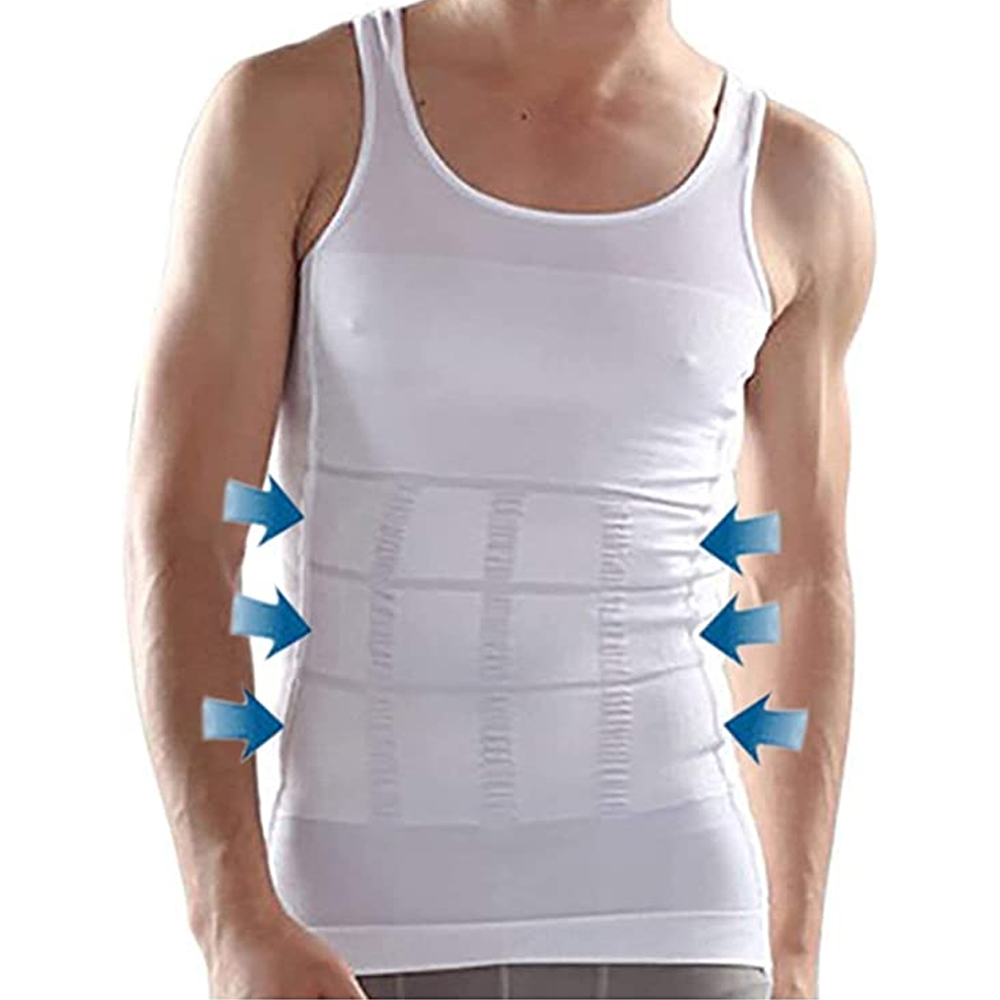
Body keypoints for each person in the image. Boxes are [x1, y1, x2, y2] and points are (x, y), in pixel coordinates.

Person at [124, 1, 874, 997]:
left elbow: (795, 576)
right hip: (346, 929)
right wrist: (231, 911)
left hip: (680, 914)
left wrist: (794, 948)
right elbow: (188, 531)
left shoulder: (794, 180)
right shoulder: (295, 115)